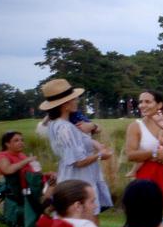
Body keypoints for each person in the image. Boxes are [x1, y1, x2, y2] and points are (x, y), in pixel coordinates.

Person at [40, 79, 111, 215]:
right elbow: (79, 162)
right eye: (73, 98)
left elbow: (87, 138)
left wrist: (93, 129)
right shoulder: (65, 128)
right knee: (84, 221)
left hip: (72, 178)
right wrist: (101, 154)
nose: (77, 101)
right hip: (78, 182)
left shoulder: (57, 124)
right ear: (65, 105)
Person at [124, 91, 163, 214]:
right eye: (141, 102)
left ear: (159, 105)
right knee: (146, 218)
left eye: (148, 102)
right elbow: (130, 154)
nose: (142, 105)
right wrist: (154, 153)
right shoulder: (135, 126)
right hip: (148, 176)